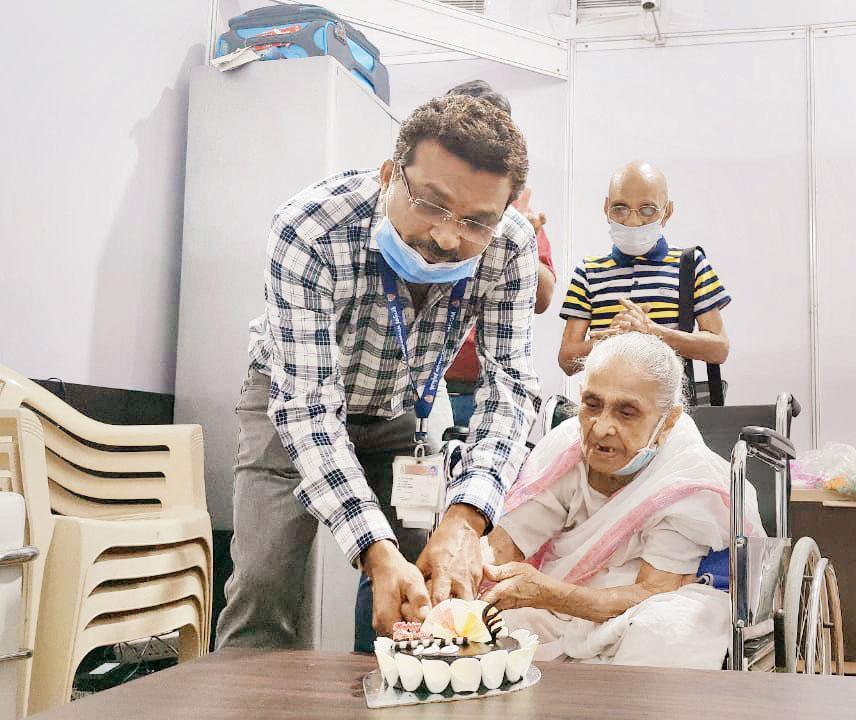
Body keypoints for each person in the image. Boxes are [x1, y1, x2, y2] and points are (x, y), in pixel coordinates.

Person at [217, 94, 542, 650]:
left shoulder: (510, 247)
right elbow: (308, 409)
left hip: (398, 416)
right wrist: (372, 548)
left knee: (422, 589)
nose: (446, 237)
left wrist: (466, 520)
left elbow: (509, 388)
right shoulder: (311, 229)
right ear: (391, 174)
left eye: (475, 222)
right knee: (264, 585)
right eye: (432, 204)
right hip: (289, 408)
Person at [481, 332, 762, 667]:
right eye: (592, 405)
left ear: (668, 420)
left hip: (658, 602)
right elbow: (507, 543)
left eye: (626, 413)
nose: (600, 429)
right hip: (570, 593)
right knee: (488, 628)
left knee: (661, 633)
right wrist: (458, 570)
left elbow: (652, 591)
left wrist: (546, 593)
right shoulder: (567, 449)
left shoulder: (687, 481)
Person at [441, 80, 558, 430]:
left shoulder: (519, 219)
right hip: (423, 381)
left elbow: (543, 298)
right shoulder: (423, 209)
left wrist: (524, 239)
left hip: (485, 384)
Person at [557, 161, 730, 378]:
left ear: (667, 212)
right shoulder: (589, 272)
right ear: (606, 209)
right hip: (607, 404)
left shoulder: (691, 264)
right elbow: (567, 360)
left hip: (669, 406)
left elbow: (719, 348)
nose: (632, 221)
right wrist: (612, 340)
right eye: (620, 209)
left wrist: (653, 333)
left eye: (647, 209)